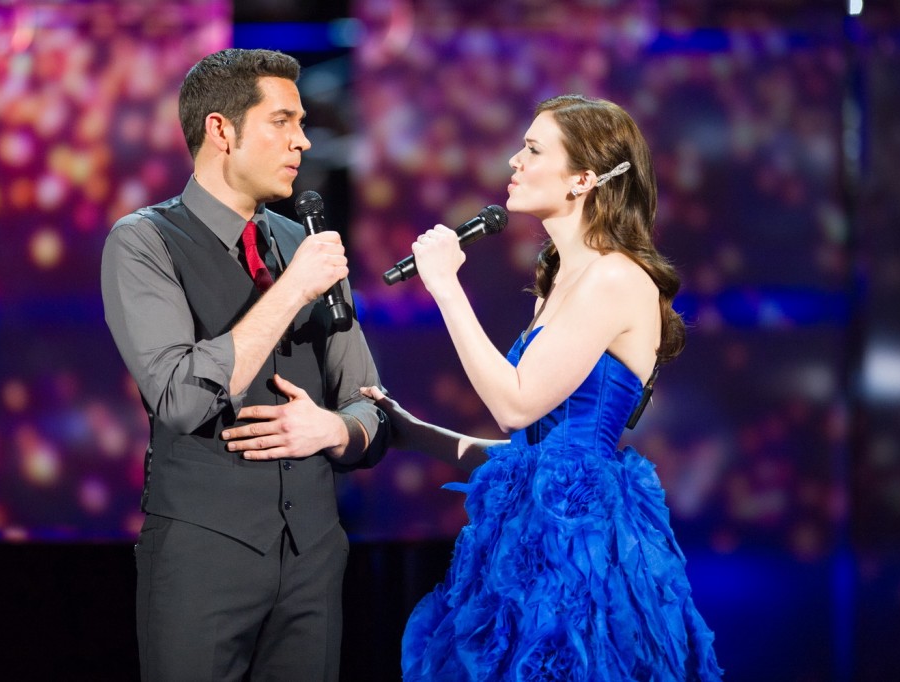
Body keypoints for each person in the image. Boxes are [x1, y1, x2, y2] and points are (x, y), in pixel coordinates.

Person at [361, 95, 723, 680]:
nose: (514, 160)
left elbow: (515, 404)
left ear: (583, 179)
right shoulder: (562, 281)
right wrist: (412, 431)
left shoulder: (613, 277)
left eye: (532, 149)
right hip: (527, 535)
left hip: (577, 547)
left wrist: (446, 288)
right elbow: (531, 455)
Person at [100, 48, 389, 681]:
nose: (303, 141)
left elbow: (371, 403)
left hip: (313, 561)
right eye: (282, 121)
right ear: (221, 131)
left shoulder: (303, 244)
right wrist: (292, 291)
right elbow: (180, 399)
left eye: (302, 123)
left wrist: (336, 429)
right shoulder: (144, 242)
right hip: (203, 561)